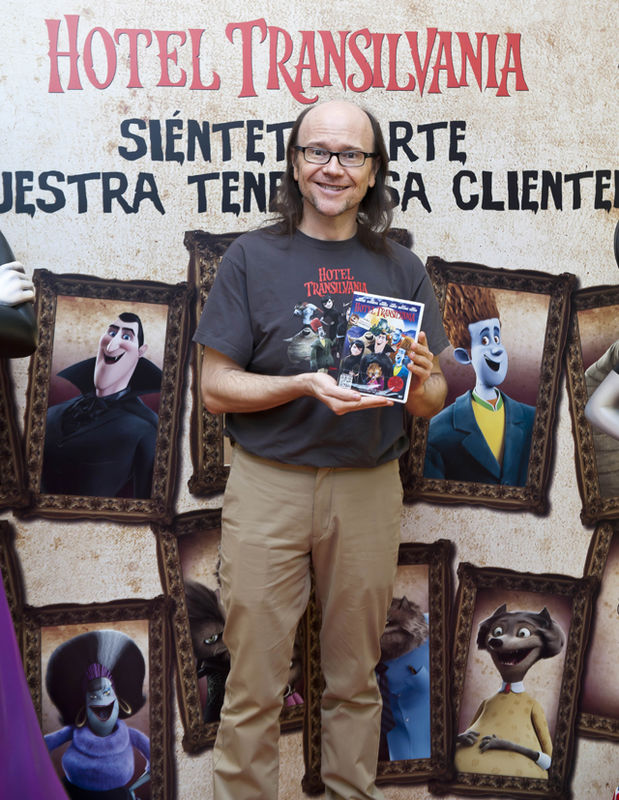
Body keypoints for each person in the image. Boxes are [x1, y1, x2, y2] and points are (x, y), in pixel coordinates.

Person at [193, 99, 449, 800]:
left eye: (351, 155)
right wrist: (300, 383)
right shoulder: (250, 258)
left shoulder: (401, 267)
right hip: (267, 483)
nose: (333, 168)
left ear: (373, 172)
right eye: (318, 152)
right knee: (252, 683)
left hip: (367, 486)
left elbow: (430, 401)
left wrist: (423, 376)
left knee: (355, 678)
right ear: (294, 163)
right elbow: (214, 388)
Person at [424, 283, 535, 486]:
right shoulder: (437, 432)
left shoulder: (533, 419)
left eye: (496, 337)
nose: (496, 349)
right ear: (463, 356)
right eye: (484, 341)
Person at [42, 312, 161, 498]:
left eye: (127, 337)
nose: (112, 345)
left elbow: (148, 505)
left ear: (140, 351)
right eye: (111, 333)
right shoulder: (52, 413)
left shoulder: (146, 429)